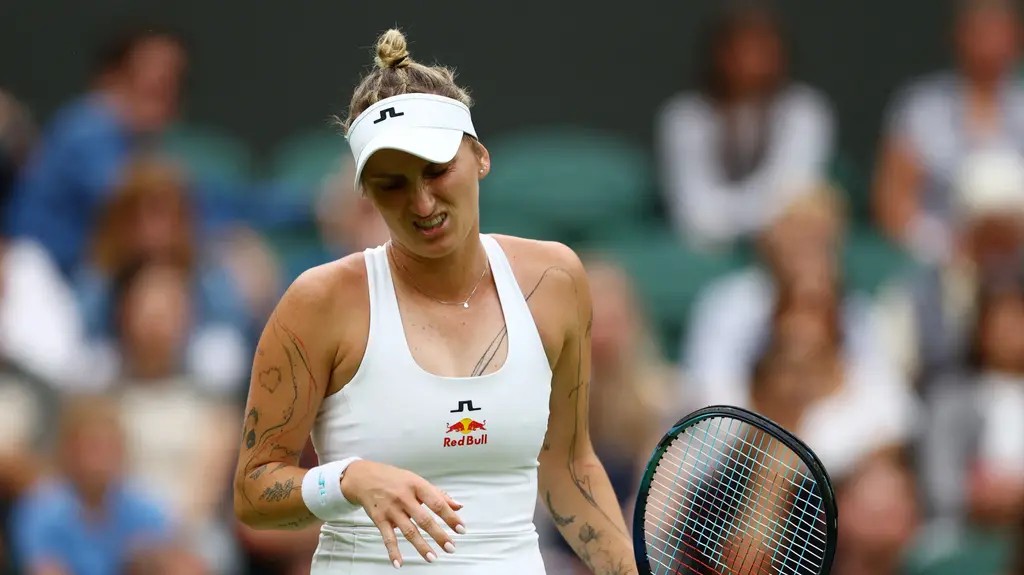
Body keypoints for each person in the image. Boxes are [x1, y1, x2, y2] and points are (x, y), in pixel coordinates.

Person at [232, 29, 637, 574]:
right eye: (391, 184)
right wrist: (348, 480)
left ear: (480, 157)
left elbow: (568, 467)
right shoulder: (319, 301)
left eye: (437, 170)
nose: (422, 203)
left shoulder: (555, 280)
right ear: (365, 193)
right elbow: (253, 493)